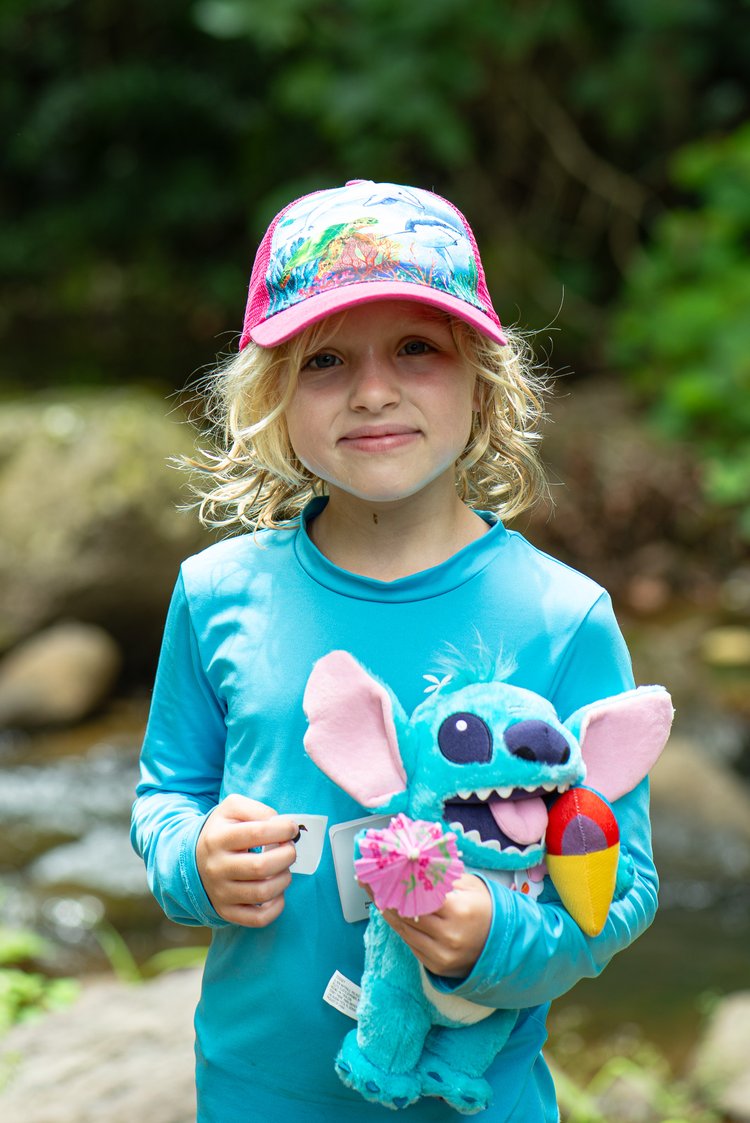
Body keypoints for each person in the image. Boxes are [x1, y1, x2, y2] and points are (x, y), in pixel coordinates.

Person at [131, 179, 658, 1122]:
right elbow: (168, 792)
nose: (373, 390)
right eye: (325, 358)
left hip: (478, 1099)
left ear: (482, 380)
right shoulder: (216, 594)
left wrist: (492, 937)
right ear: (272, 397)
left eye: (417, 347)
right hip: (260, 1091)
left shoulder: (561, 615)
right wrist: (192, 862)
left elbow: (620, 883)